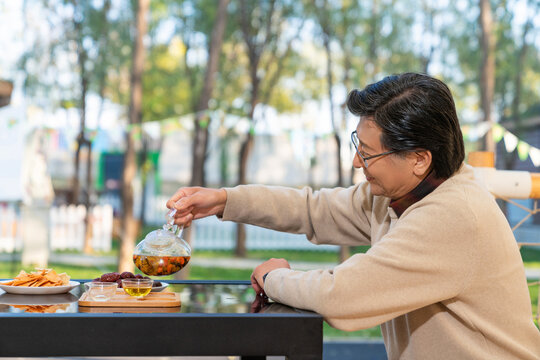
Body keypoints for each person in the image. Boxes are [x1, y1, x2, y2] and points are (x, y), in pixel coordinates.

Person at [166, 73, 540, 359]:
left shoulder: (453, 215)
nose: (357, 162)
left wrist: (273, 276)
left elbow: (341, 295)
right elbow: (313, 209)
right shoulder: (403, 193)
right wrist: (224, 200)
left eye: (369, 153)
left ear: (418, 159)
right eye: (357, 145)